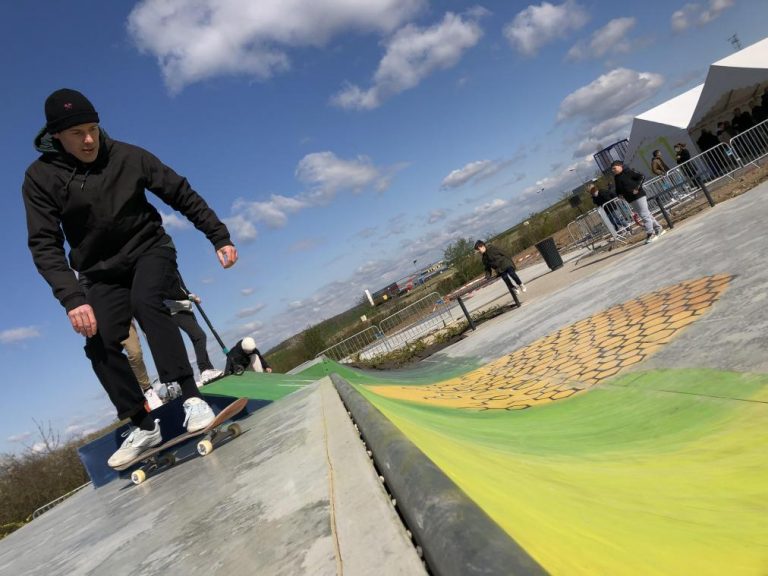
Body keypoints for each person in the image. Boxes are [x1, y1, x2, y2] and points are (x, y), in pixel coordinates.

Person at [22, 89, 238, 468]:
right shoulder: (40, 178)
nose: (89, 140)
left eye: (93, 129)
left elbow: (179, 191)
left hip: (148, 249)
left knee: (146, 301)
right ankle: (142, 423)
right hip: (98, 271)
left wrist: (218, 235)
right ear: (56, 136)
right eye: (77, 134)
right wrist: (73, 298)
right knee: (98, 340)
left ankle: (191, 397)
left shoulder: (127, 155)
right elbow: (44, 243)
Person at [165, 277, 224, 385]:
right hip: (176, 310)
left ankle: (208, 369)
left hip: (185, 308)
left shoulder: (174, 270)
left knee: (196, 339)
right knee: (200, 336)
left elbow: (181, 287)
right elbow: (173, 291)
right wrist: (189, 296)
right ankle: (204, 370)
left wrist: (189, 294)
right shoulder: (165, 270)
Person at [610, 160, 664, 244]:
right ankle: (658, 228)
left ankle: (651, 233)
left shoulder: (628, 172)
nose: (613, 170)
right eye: (612, 169)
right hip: (630, 199)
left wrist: (637, 188)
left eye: (614, 168)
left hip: (639, 196)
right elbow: (618, 189)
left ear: (620, 166)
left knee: (644, 215)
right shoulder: (616, 177)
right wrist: (619, 194)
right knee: (646, 214)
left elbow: (641, 176)